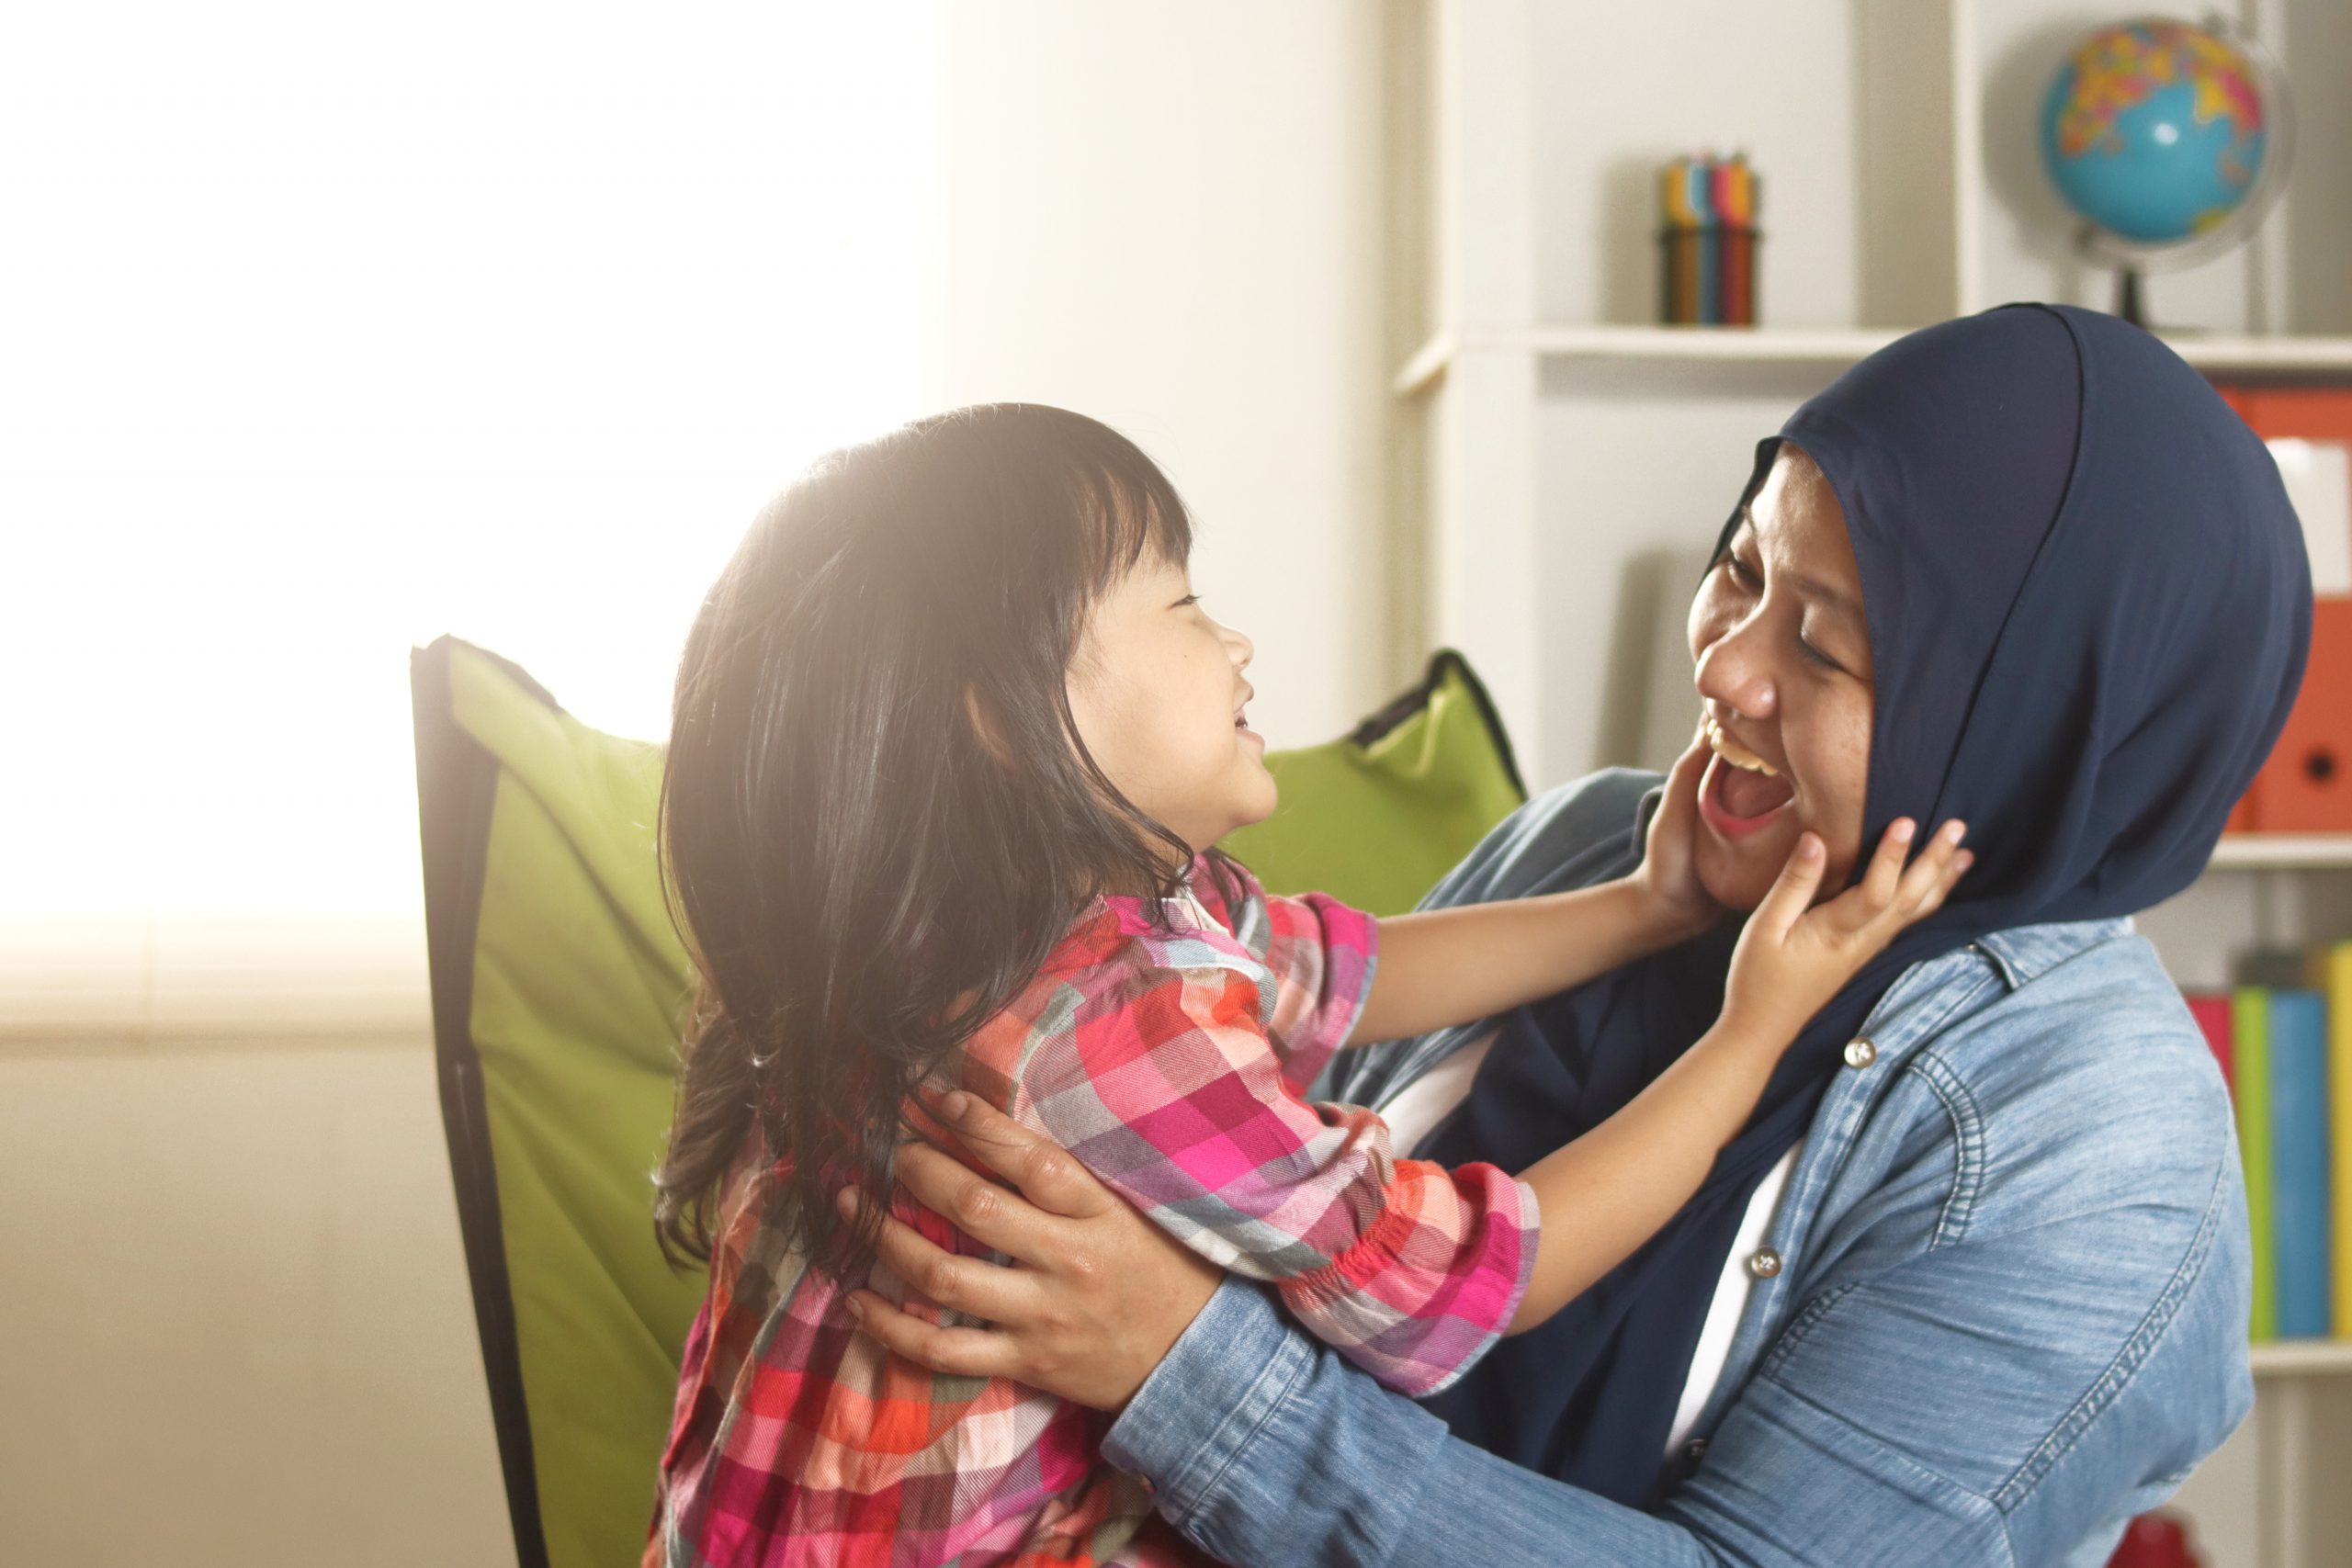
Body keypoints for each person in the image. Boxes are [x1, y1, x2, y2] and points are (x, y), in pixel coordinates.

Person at [840, 303, 2312, 1566]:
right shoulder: (1607, 843)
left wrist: (1179, 1369)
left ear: (2038, 733)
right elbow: (1289, 1155)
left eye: (1827, 645)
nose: (1728, 668)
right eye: (1742, 570)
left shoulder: (2099, 1162)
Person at [637, 400, 1971, 1567]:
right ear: (1007, 710)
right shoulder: (1109, 1027)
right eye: (1181, 604)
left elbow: (1350, 969)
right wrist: (1756, 1026)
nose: (1238, 644)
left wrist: (1652, 906)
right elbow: (1468, 1282)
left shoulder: (986, 938)